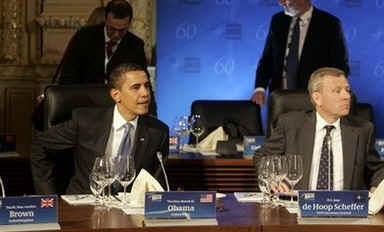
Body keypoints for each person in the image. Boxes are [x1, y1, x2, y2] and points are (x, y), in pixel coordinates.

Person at [30, 63, 169, 194]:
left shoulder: (158, 132)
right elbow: (39, 145)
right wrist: (48, 197)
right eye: (136, 87)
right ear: (116, 95)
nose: (145, 93)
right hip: (85, 205)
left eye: (147, 86)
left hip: (129, 210)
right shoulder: (86, 121)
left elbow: (156, 184)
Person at [254, 67, 384, 192]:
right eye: (337, 91)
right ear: (317, 98)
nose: (346, 96)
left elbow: (377, 169)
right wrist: (274, 180)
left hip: (346, 209)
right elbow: (262, 157)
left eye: (347, 90)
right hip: (298, 207)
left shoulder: (362, 130)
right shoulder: (291, 125)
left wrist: (377, 186)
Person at [59, 0, 157, 116]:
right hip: (84, 105)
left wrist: (151, 112)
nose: (116, 35)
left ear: (129, 24)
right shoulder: (84, 38)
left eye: (121, 30)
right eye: (112, 29)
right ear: (105, 20)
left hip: (118, 107)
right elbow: (68, 76)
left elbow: (142, 77)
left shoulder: (135, 44)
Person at [251, 0, 350, 107]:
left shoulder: (329, 23)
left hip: (313, 102)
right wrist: (260, 89)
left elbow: (340, 66)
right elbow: (267, 59)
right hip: (279, 100)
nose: (281, 2)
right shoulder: (278, 20)